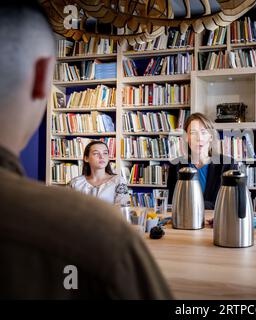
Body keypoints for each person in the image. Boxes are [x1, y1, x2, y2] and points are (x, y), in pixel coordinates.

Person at [0, 1, 171, 299]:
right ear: (43, 76)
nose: (102, 157)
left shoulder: (113, 188)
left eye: (106, 152)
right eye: (97, 152)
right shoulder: (97, 233)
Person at [167, 112, 237, 209]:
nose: (199, 138)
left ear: (211, 136)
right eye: (193, 133)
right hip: (186, 221)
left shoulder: (228, 165)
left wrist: (191, 205)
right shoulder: (176, 165)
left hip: (217, 221)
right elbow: (172, 203)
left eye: (204, 132)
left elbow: (231, 203)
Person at [69, 140, 130, 207]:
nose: (102, 157)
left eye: (105, 153)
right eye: (96, 153)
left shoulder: (119, 182)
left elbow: (122, 209)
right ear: (86, 158)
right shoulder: (75, 183)